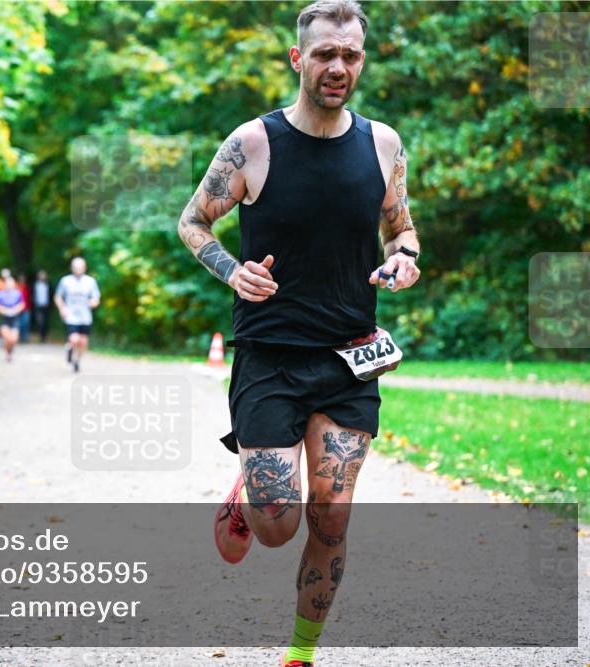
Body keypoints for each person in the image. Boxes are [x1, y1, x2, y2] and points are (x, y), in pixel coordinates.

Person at [176, 2, 421, 666]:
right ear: (298, 59)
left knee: (332, 517)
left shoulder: (383, 144)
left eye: (351, 54)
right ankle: (249, 494)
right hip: (270, 357)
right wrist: (232, 271)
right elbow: (193, 221)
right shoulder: (254, 143)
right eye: (324, 54)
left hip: (350, 357)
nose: (339, 66)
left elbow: (401, 227)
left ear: (361, 60)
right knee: (278, 525)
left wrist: (404, 259)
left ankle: (300, 653)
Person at [54, 257, 100, 373]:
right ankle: (70, 349)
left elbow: (96, 298)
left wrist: (93, 303)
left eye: (80, 267)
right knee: (74, 339)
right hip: (71, 316)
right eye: (76, 267)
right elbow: (58, 296)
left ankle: (77, 361)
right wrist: (62, 308)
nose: (78, 269)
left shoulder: (90, 281)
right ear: (72, 268)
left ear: (84, 268)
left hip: (85, 317)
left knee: (83, 343)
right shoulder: (66, 281)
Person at [0, 276, 25, 363]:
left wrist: (15, 310)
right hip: (4, 318)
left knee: (13, 338)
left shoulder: (18, 293)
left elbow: (22, 304)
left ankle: (10, 350)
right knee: (7, 337)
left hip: (14, 318)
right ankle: (7, 353)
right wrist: (4, 310)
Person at [33, 270, 52, 342]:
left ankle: (45, 336)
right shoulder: (35, 285)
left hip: (46, 306)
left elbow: (51, 295)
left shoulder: (48, 285)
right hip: (38, 306)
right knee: (40, 322)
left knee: (46, 322)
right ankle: (41, 336)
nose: (42, 277)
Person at [16, 273, 32, 343]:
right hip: (17, 309)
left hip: (26, 308)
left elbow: (30, 297)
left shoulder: (27, 288)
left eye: (23, 279)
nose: (22, 280)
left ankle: (26, 337)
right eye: (21, 279)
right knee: (19, 324)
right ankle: (19, 337)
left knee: (26, 323)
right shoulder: (16, 287)